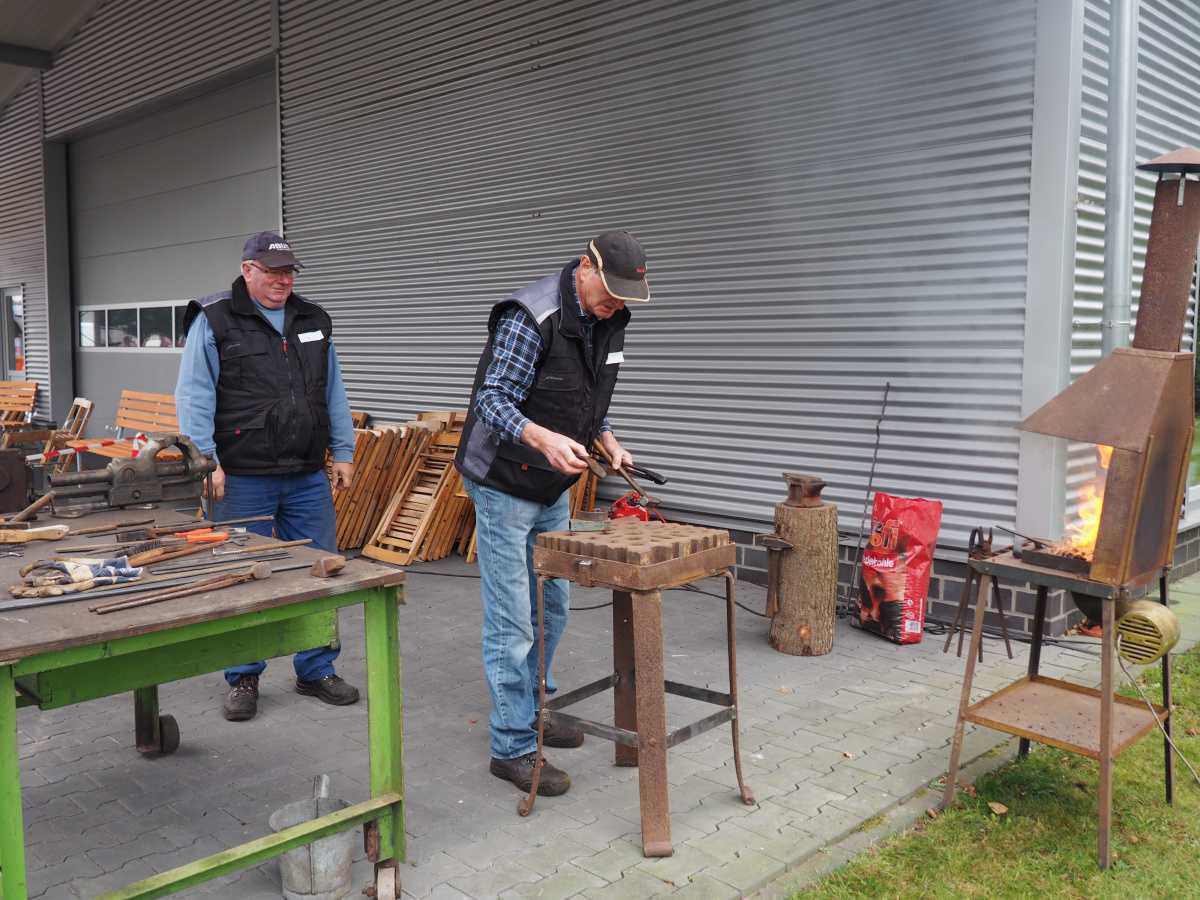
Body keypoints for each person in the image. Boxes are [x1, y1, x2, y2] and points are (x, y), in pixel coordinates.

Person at [455, 230, 649, 796]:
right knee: (513, 619)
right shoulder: (530, 316)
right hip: (503, 481)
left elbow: (585, 397)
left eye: (625, 298)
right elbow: (492, 400)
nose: (617, 305)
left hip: (552, 485)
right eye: (611, 293)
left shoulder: (609, 318)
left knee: (553, 608)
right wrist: (541, 439)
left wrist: (606, 438)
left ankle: (533, 711)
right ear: (585, 268)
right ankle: (511, 745)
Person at [175, 232, 360, 721]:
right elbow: (194, 394)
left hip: (305, 474)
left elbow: (333, 390)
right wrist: (206, 460)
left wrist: (343, 451)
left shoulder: (313, 320)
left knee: (321, 570)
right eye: (272, 271)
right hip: (241, 476)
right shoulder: (215, 318)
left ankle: (316, 669)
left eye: (289, 271)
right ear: (247, 269)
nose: (283, 280)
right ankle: (244, 676)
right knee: (242, 577)